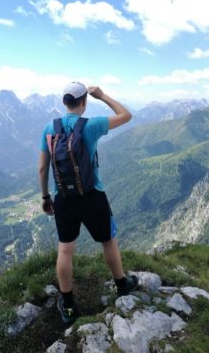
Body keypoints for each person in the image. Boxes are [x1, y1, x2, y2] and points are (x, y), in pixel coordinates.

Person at [38, 81, 138, 324]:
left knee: (65, 250)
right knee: (108, 241)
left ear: (64, 102)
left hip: (63, 198)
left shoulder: (49, 129)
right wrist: (102, 95)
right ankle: (122, 285)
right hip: (93, 195)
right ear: (83, 102)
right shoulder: (92, 125)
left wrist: (45, 197)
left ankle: (69, 307)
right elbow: (126, 115)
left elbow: (42, 168)